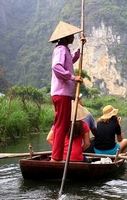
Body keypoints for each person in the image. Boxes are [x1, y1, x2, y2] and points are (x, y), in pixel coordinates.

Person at [49, 21, 85, 161]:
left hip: (63, 94)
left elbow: (71, 60)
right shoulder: (60, 50)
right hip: (61, 93)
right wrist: (72, 77)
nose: (73, 37)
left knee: (61, 125)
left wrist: (80, 49)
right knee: (61, 126)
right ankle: (56, 158)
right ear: (66, 37)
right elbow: (57, 67)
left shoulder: (65, 50)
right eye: (72, 36)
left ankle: (56, 156)